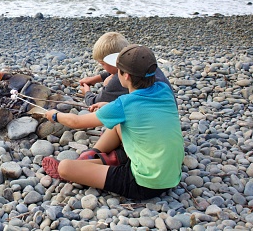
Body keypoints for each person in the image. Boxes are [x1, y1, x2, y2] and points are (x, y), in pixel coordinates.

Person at [42, 45, 184, 200]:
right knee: (118, 122)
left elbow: (76, 122)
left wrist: (55, 115)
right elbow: (139, 111)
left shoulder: (124, 104)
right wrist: (107, 107)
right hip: (172, 174)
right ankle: (97, 155)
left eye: (118, 71)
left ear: (126, 76)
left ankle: (97, 165)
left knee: (65, 167)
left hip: (145, 184)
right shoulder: (163, 89)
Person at [78, 32, 174, 161]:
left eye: (102, 64)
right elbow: (114, 72)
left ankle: (118, 155)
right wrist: (96, 79)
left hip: (146, 139)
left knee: (118, 119)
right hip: (165, 126)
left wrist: (87, 91)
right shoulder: (145, 66)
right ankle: (99, 153)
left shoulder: (120, 85)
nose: (103, 68)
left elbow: (93, 103)